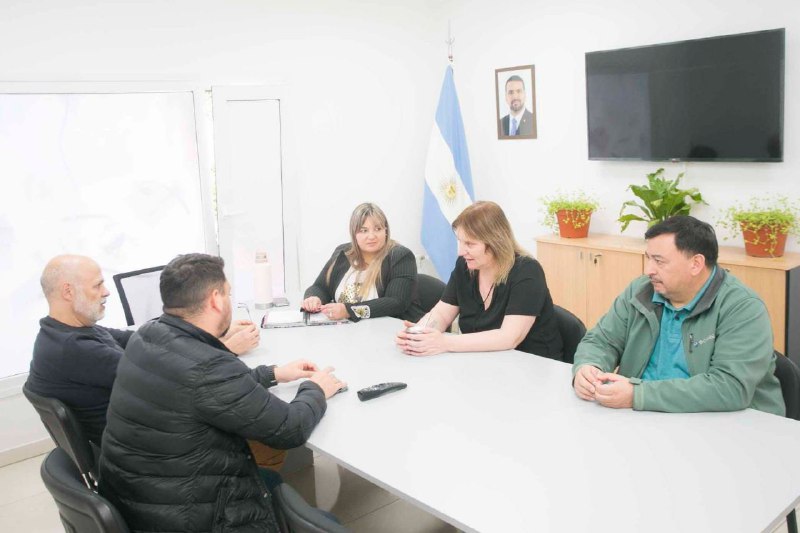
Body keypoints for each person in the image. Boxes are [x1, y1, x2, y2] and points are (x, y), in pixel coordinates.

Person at [99, 253, 345, 532]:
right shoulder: (209, 367)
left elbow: (202, 388)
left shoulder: (147, 335)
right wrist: (316, 389)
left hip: (141, 501)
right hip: (193, 518)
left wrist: (273, 373)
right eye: (228, 293)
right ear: (216, 299)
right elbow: (289, 429)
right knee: (328, 524)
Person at [25, 255, 260, 446]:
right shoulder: (74, 349)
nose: (106, 291)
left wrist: (213, 333)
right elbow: (172, 379)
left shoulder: (67, 331)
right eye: (97, 285)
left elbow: (146, 339)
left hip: (137, 429)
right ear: (68, 292)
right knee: (248, 423)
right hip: (143, 447)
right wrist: (225, 349)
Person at [572, 216, 785, 415]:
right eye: (648, 258)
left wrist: (638, 395)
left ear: (696, 264)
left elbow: (729, 388)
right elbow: (601, 341)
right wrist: (589, 366)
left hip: (724, 424)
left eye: (659, 261)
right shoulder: (641, 290)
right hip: (642, 417)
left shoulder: (743, 308)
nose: (648, 270)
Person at [396, 201, 563, 359]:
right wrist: (419, 334)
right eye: (460, 242)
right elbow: (442, 313)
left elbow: (509, 337)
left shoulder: (527, 271)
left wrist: (444, 342)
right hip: (484, 362)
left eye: (470, 244)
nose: (461, 252)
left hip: (533, 365)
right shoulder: (465, 266)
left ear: (496, 242)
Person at [302, 202, 425, 322]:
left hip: (392, 329)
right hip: (348, 330)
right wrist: (313, 298)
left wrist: (349, 311)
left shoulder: (400, 256)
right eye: (364, 230)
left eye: (378, 229)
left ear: (385, 230)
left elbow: (396, 303)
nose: (371, 236)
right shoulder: (343, 253)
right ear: (354, 233)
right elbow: (320, 287)